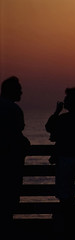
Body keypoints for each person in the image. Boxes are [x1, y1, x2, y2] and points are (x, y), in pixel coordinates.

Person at [45, 87, 75, 236]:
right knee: (68, 191)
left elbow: (49, 128)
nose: (64, 101)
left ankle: (71, 223)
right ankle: (73, 221)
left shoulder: (65, 118)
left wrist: (56, 111)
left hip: (65, 159)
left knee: (64, 193)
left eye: (67, 99)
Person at [0, 76, 31, 233]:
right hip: (10, 167)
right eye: (18, 89)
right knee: (7, 205)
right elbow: (17, 133)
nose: (21, 91)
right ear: (10, 91)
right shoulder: (13, 109)